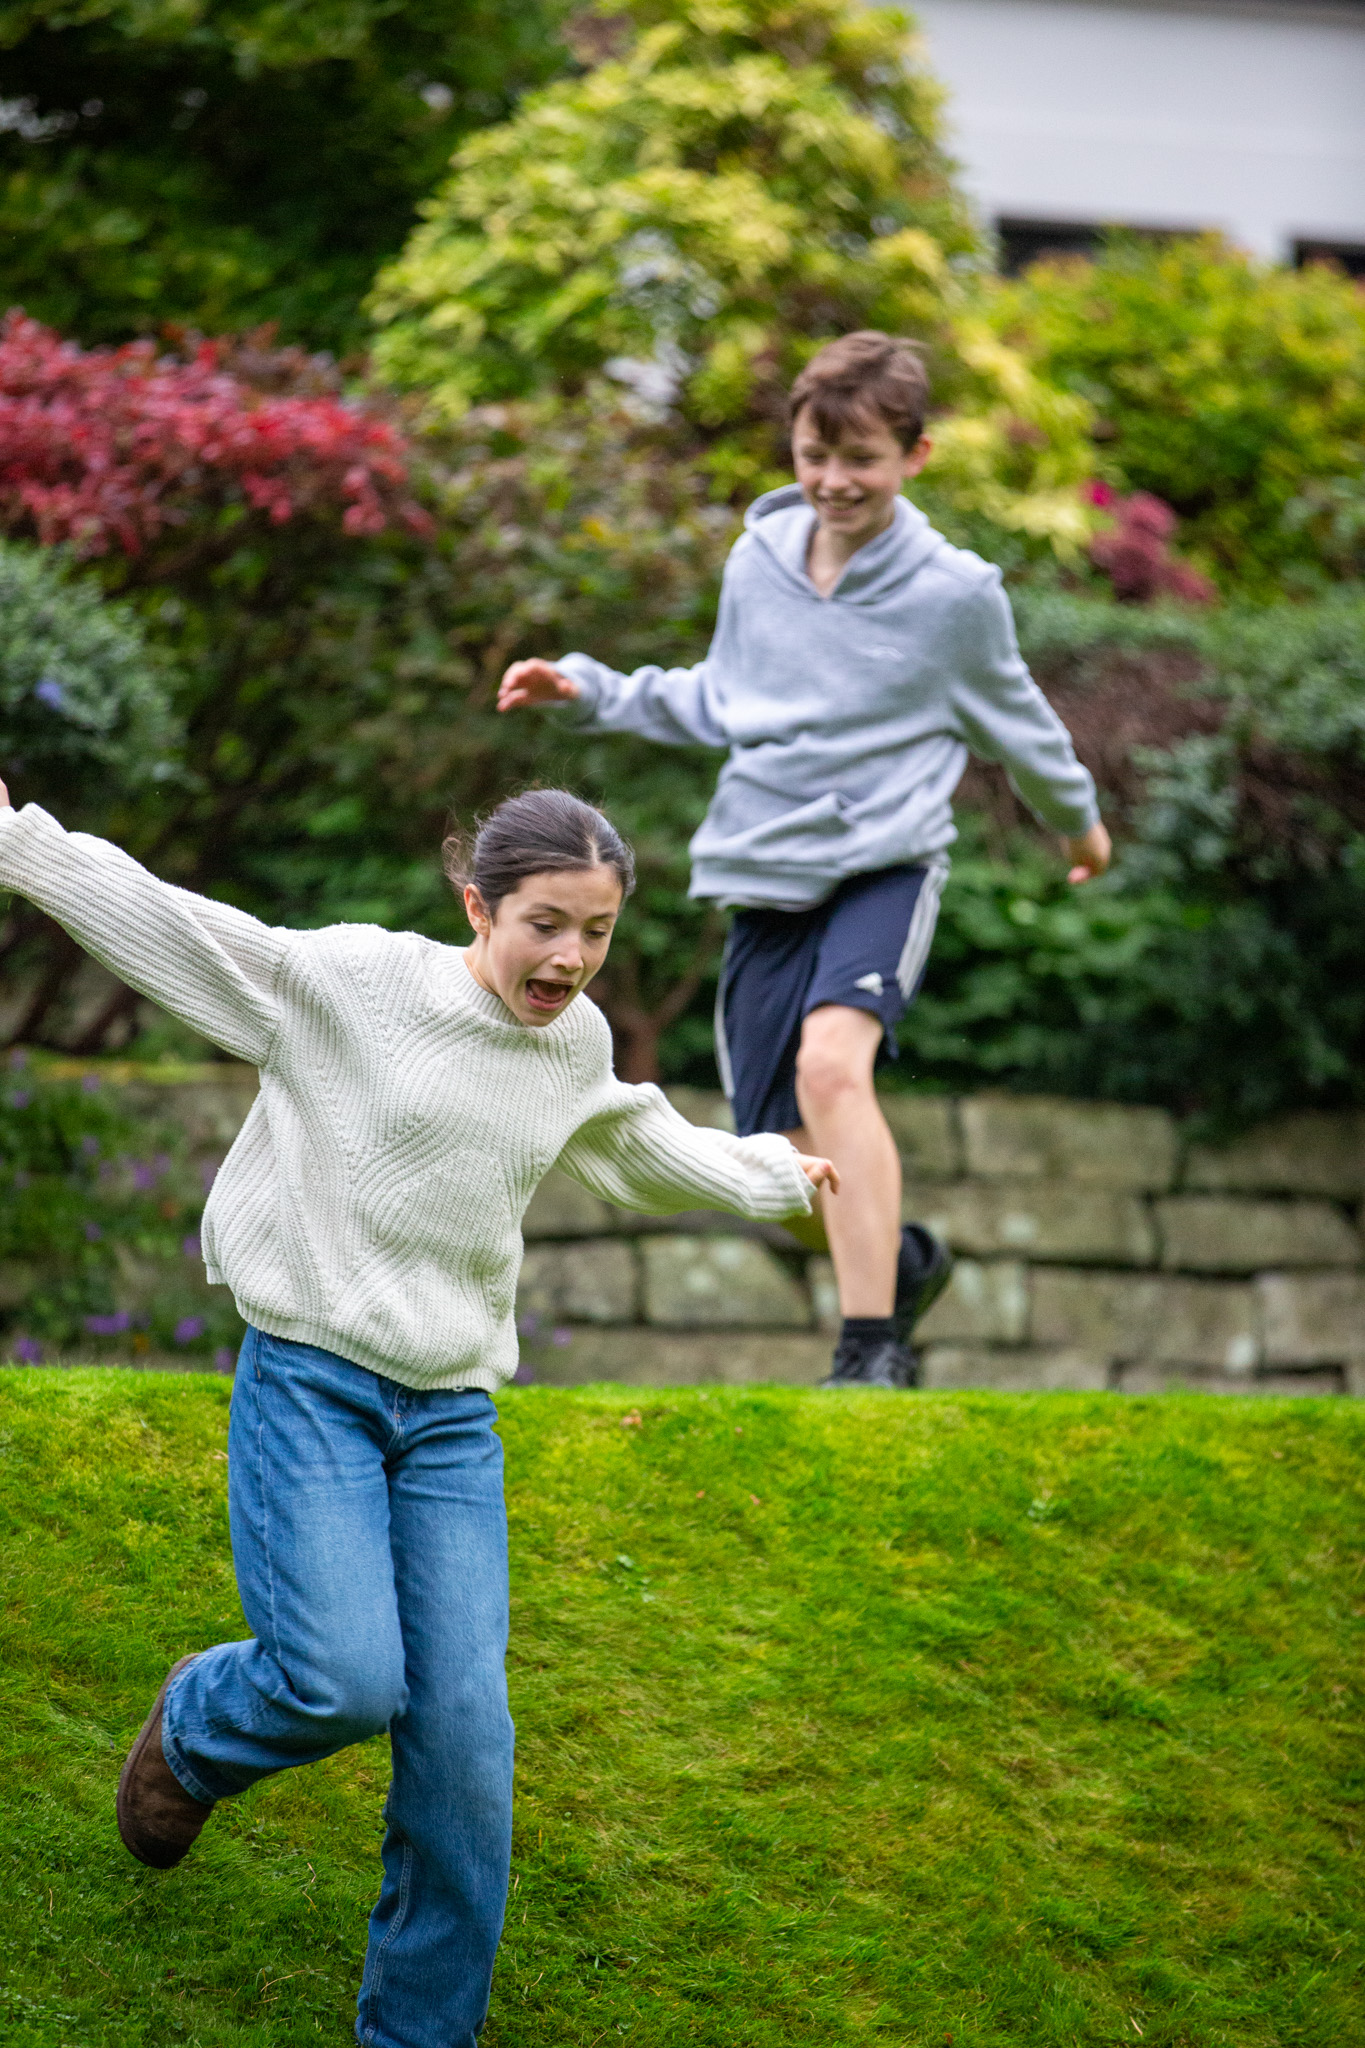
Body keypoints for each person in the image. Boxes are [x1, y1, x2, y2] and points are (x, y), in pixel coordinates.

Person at [0, 780, 834, 2048]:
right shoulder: (351, 984)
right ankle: (193, 1728)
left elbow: (627, 1136)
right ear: (476, 902)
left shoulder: (575, 1041)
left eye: (597, 931)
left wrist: (772, 1171)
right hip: (315, 1380)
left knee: (465, 1743)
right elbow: (177, 925)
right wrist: (22, 846)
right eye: (545, 923)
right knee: (337, 1680)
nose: (569, 957)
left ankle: (418, 2033)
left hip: (449, 1418)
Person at [498, 330, 1110, 1392]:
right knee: (784, 1168)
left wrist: (1080, 825)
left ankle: (870, 1350)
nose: (834, 482)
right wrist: (591, 687)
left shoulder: (956, 594)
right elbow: (721, 698)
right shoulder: (758, 561)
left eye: (862, 459)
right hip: (762, 864)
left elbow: (1021, 724)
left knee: (836, 1065)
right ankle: (901, 1265)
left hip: (885, 860)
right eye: (813, 455)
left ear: (915, 456)